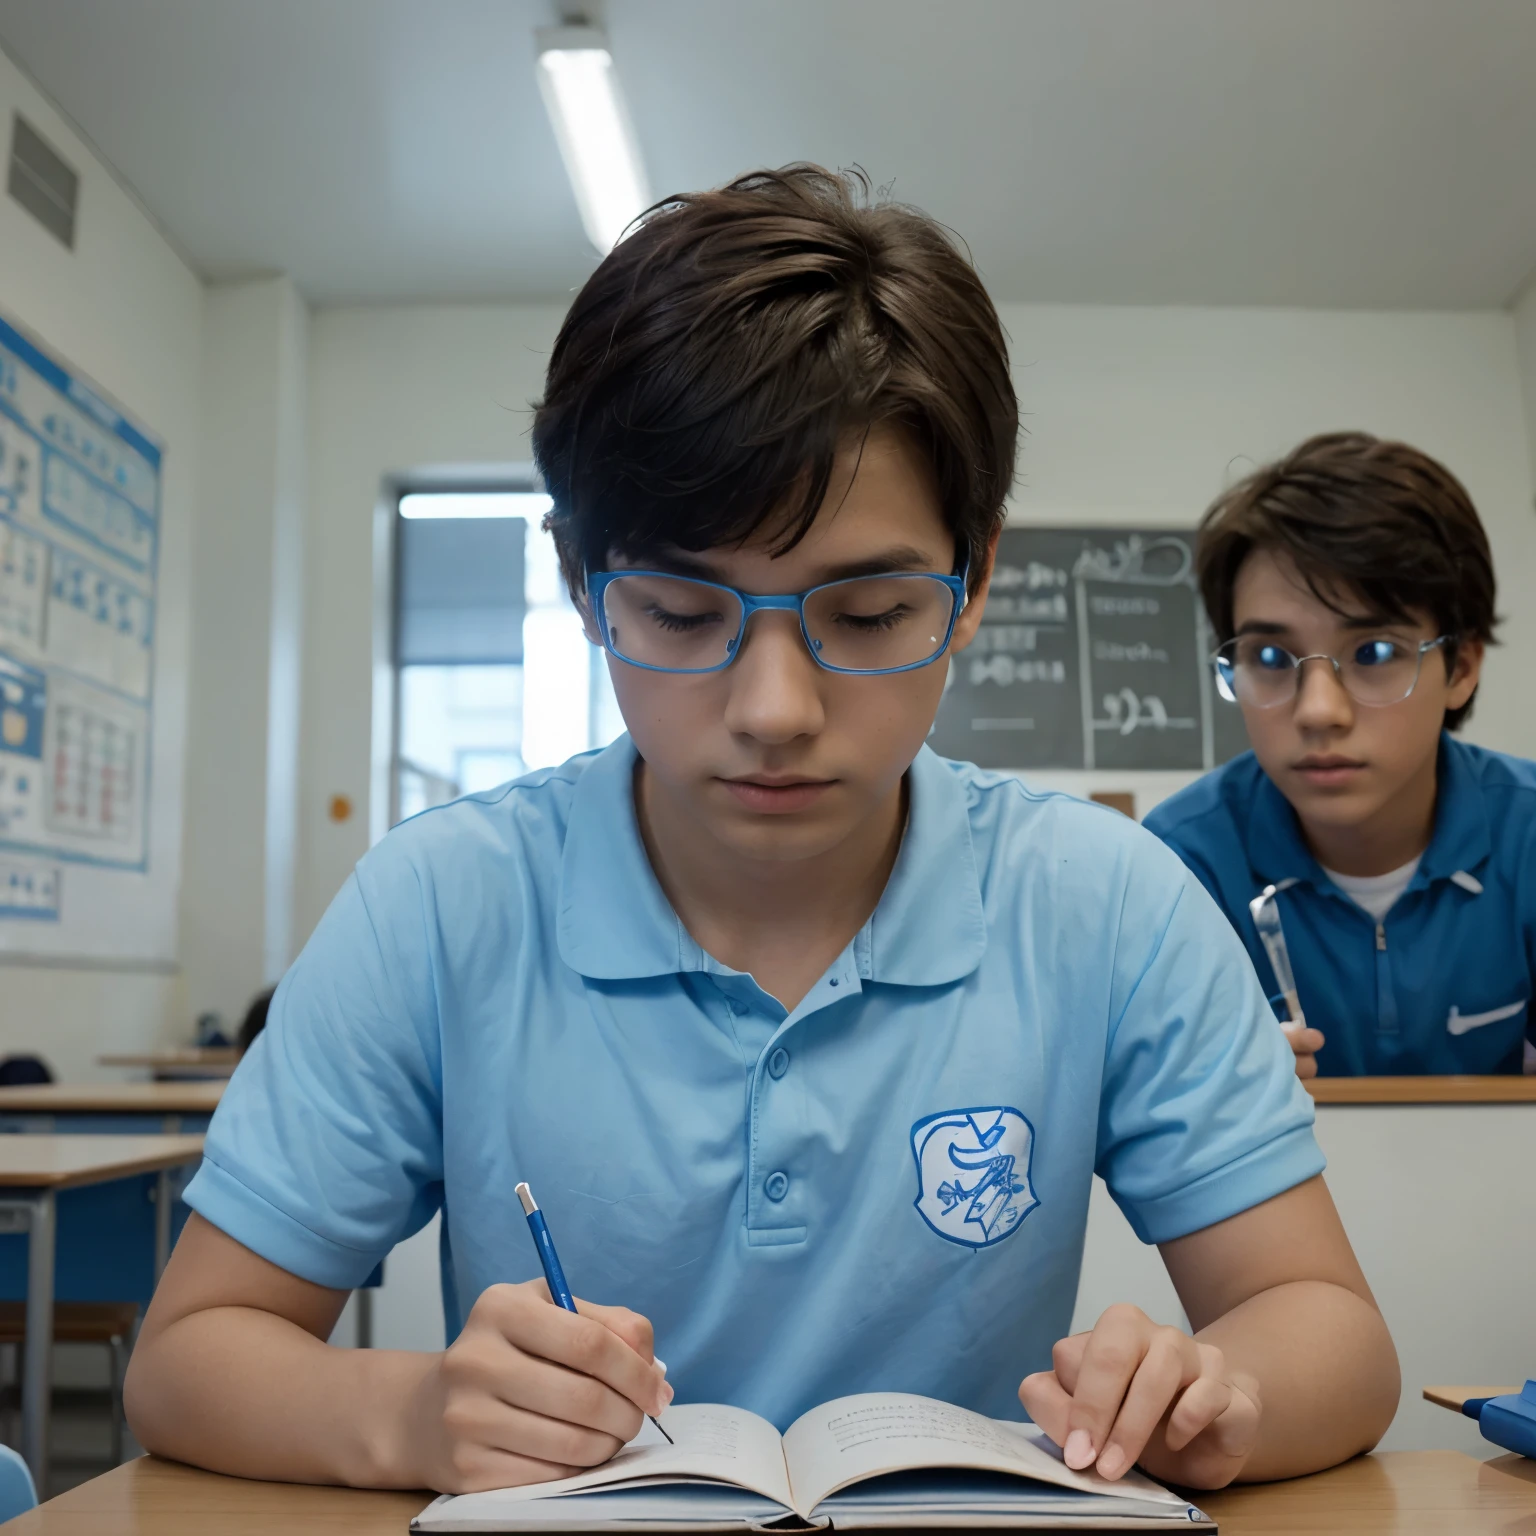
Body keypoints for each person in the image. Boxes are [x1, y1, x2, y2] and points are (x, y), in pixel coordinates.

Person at [123, 167, 1397, 1495]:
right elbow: (190, 1354)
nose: (774, 711)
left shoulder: (1104, 902)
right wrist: (411, 1420)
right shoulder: (442, 905)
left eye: (866, 615)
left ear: (975, 585)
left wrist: (1220, 1390)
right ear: (579, 582)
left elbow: (1336, 1334)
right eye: (680, 613)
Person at [1145, 432, 1535, 1078]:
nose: (1318, 710)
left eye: (1374, 653)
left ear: (1461, 666)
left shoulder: (1525, 836)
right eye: (1269, 658)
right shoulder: (1181, 867)